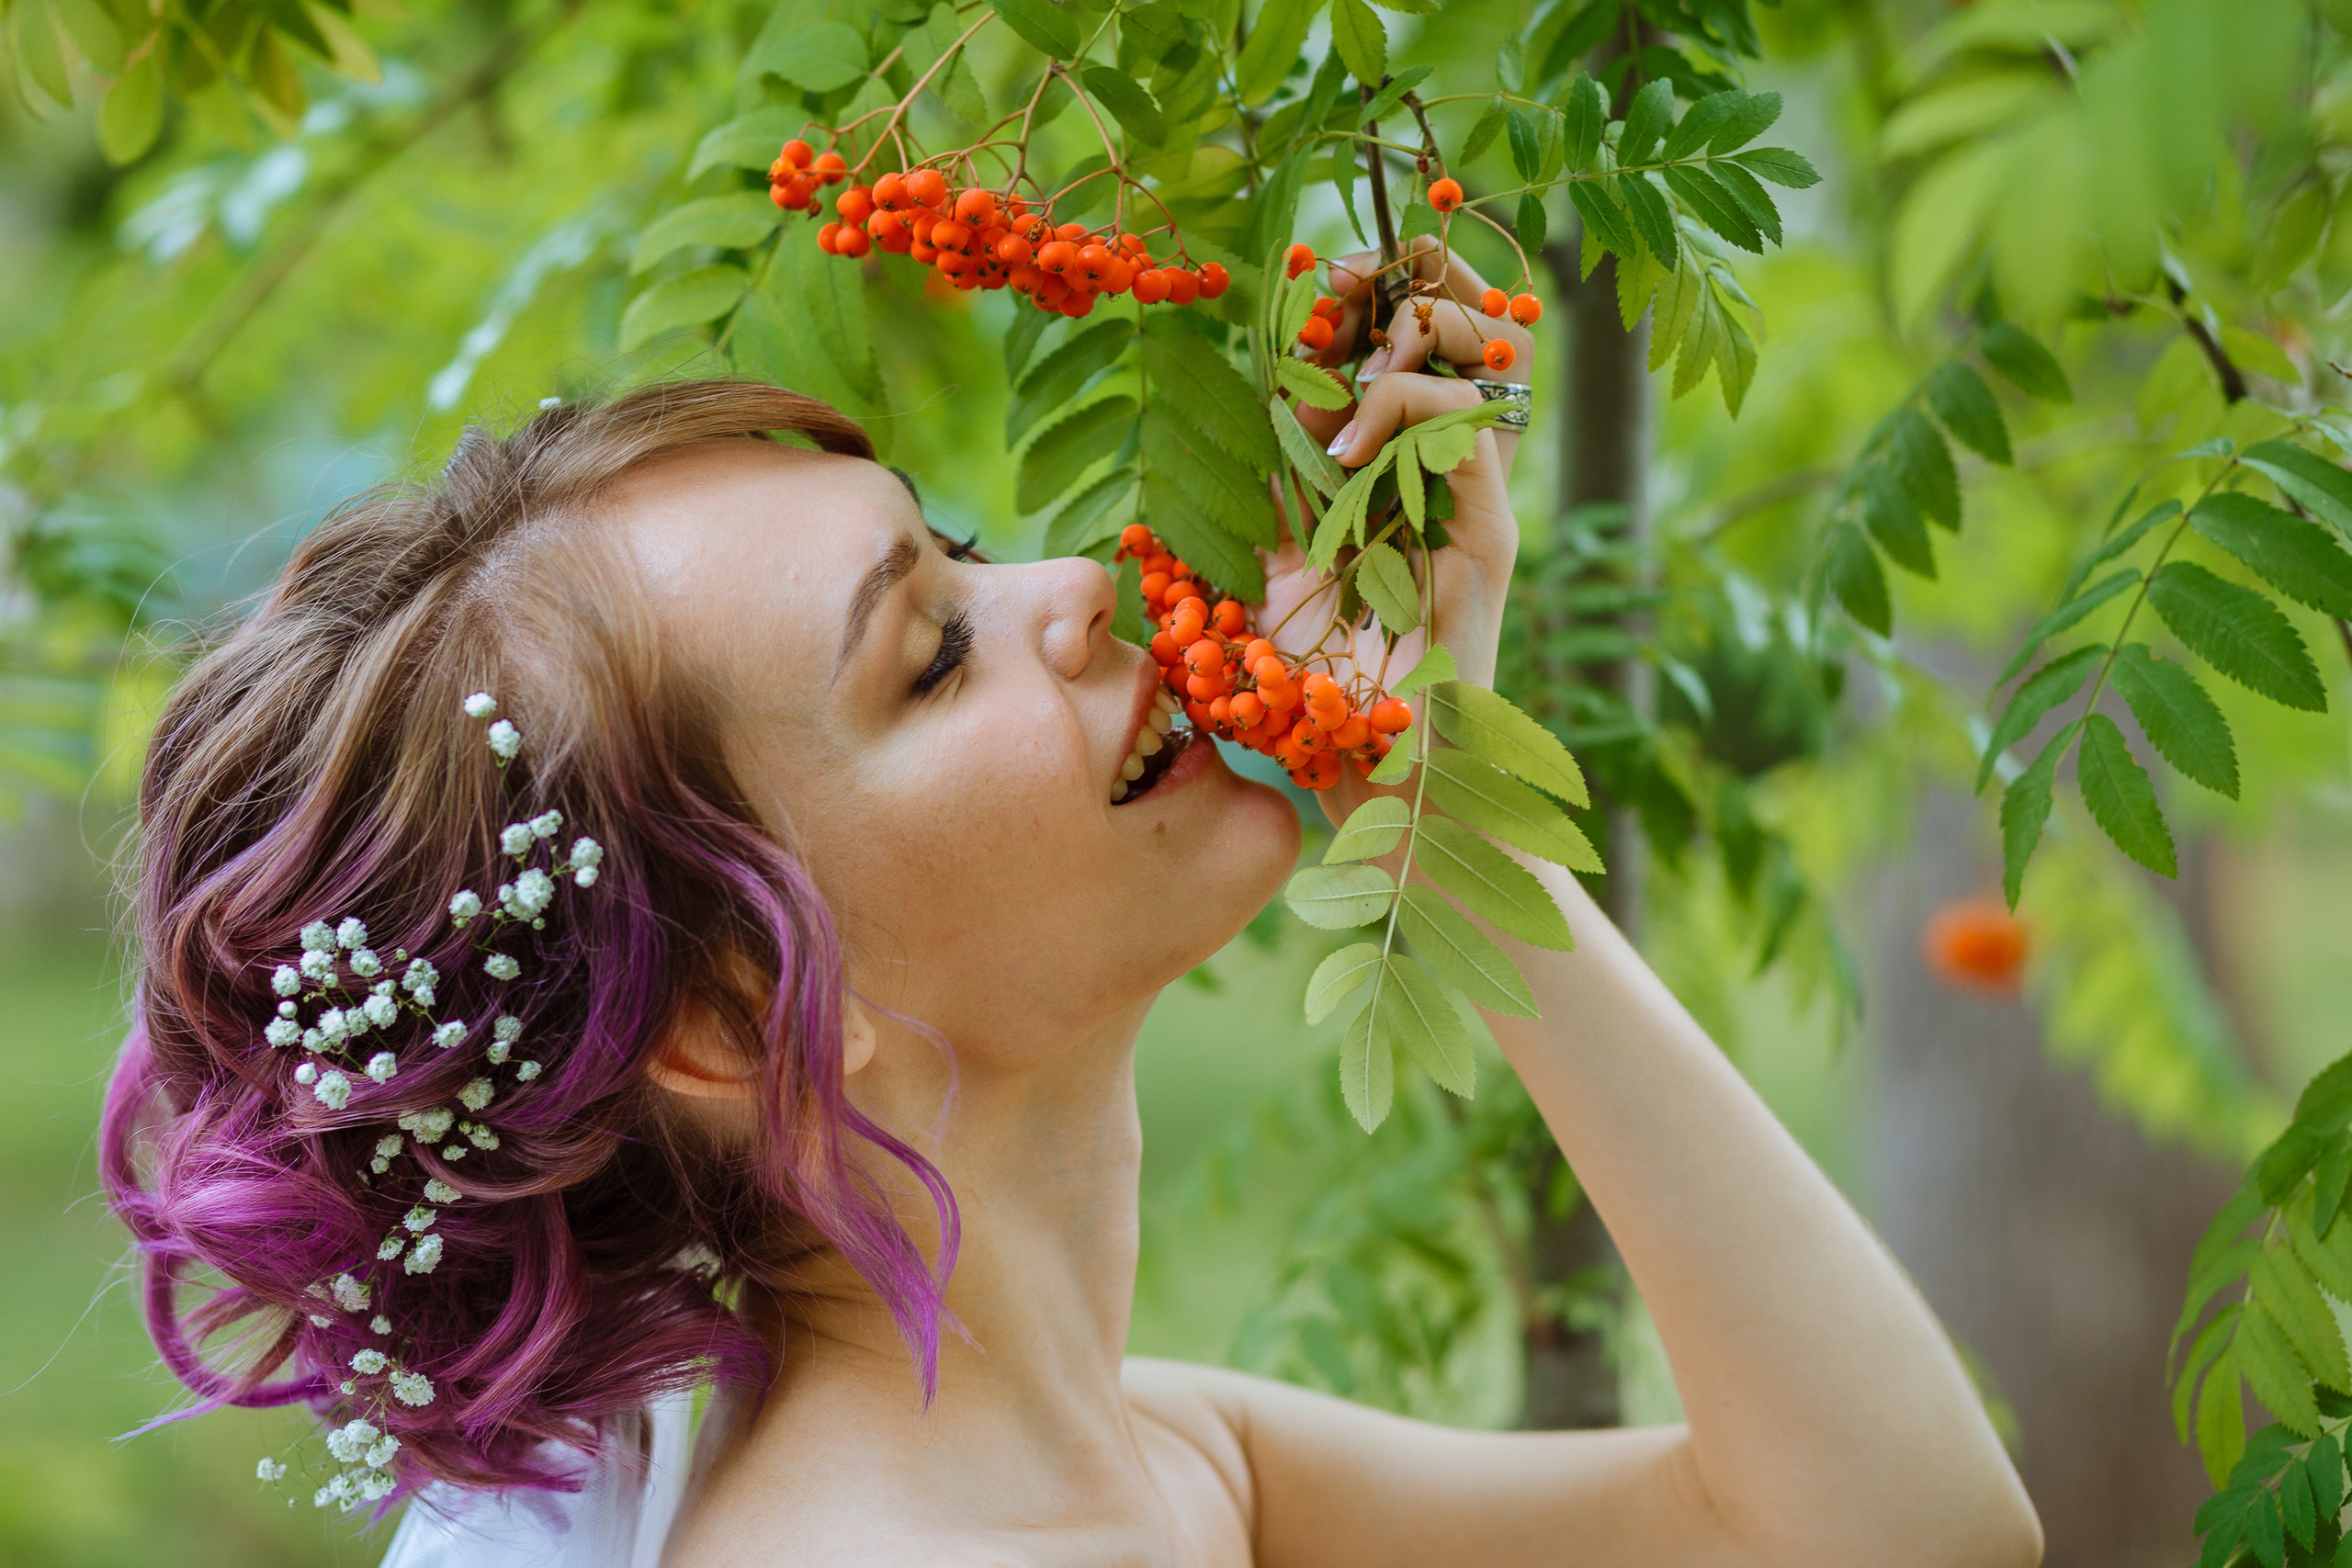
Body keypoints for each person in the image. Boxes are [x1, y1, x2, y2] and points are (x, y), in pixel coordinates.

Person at [101, 241, 2041, 1568]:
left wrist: (1442, 797)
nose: (1091, 582)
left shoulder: (1145, 1458)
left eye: (954, 545)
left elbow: (1892, 1523)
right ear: (725, 1010)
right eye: (931, 651)